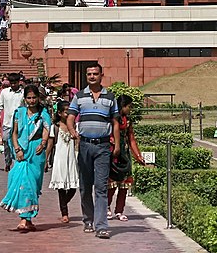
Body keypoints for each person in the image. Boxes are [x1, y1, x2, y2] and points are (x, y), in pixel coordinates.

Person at [66, 62, 119, 239]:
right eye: (89, 74)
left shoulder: (110, 97)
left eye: (95, 74)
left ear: (101, 75)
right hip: (85, 145)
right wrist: (74, 133)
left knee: (101, 187)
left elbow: (115, 122)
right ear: (86, 76)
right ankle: (88, 219)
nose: (92, 77)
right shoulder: (79, 96)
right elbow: (70, 117)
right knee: (85, 186)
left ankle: (102, 225)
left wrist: (117, 145)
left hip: (103, 146)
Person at [0, 84, 53, 231]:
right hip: (21, 151)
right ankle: (24, 218)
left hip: (36, 153)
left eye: (34, 97)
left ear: (38, 98)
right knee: (21, 181)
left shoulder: (43, 114)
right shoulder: (19, 113)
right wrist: (17, 149)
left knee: (33, 186)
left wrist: (42, 143)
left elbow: (46, 131)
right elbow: (14, 133)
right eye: (28, 98)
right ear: (25, 98)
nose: (31, 100)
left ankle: (27, 219)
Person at [108, 94, 148, 221]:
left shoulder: (128, 120)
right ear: (122, 106)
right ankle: (106, 208)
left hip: (124, 155)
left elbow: (131, 140)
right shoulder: (111, 119)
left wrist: (138, 156)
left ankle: (119, 210)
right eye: (129, 107)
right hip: (112, 154)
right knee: (111, 184)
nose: (130, 109)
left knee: (124, 185)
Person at [48, 99, 79, 223]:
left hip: (72, 159)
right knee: (61, 188)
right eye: (66, 112)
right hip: (59, 159)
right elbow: (50, 145)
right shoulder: (55, 127)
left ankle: (64, 204)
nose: (69, 115)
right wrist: (45, 160)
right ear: (60, 113)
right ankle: (64, 212)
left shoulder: (75, 127)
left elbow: (78, 143)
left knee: (73, 187)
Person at [0, 73, 26, 172]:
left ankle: (18, 162)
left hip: (20, 123)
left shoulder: (24, 93)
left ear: (19, 82)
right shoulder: (4, 92)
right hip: (7, 123)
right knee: (6, 143)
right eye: (11, 83)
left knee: (19, 143)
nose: (13, 85)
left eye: (15, 83)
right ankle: (8, 162)